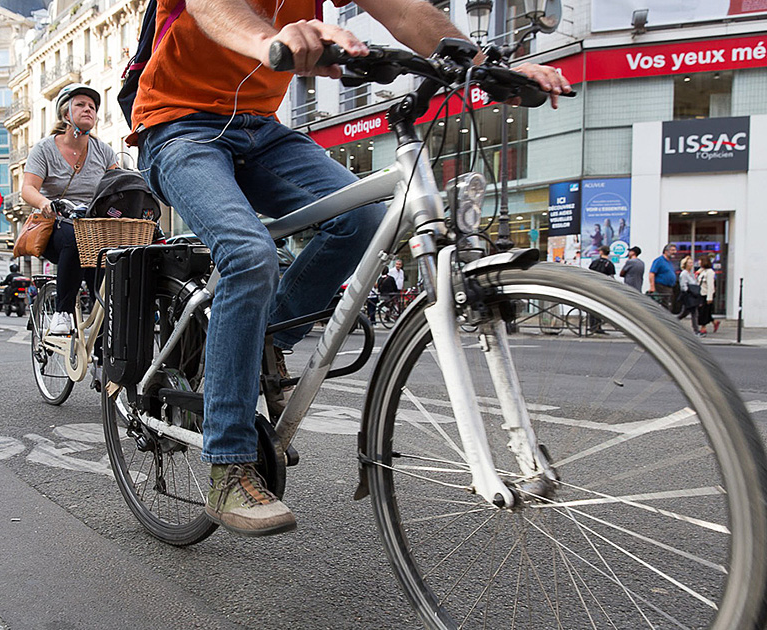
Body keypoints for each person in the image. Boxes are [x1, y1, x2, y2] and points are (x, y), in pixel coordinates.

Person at [131, 0, 571, 536]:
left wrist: (484, 63)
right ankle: (227, 463)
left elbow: (405, 9)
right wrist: (273, 39)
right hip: (178, 127)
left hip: (261, 131)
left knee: (362, 219)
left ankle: (260, 338)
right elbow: (211, 8)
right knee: (249, 254)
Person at [21, 83, 118, 335]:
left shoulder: (104, 152)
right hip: (57, 227)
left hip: (94, 228)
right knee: (74, 238)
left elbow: (118, 185)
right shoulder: (44, 149)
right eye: (81, 105)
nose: (89, 110)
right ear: (66, 114)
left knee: (106, 283)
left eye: (92, 107)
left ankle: (101, 356)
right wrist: (45, 203)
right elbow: (28, 188)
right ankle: (62, 313)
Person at [587, 245, 615, 334]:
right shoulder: (609, 264)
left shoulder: (595, 262)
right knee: (600, 307)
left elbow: (588, 274)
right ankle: (598, 326)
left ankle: (592, 326)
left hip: (592, 287)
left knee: (592, 307)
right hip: (603, 288)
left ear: (601, 252)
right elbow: (611, 278)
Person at [648, 243, 678, 309]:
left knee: (669, 305)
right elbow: (652, 273)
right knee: (665, 305)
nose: (674, 252)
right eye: (672, 250)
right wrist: (652, 287)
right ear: (666, 251)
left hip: (669, 287)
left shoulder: (669, 262)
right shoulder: (659, 261)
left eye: (675, 250)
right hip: (661, 287)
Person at [676, 256, 700, 335]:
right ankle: (696, 330)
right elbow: (683, 285)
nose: (691, 264)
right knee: (689, 313)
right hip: (688, 295)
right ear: (685, 264)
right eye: (689, 263)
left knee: (690, 313)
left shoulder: (691, 273)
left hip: (692, 295)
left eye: (692, 263)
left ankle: (696, 329)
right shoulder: (684, 274)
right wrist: (688, 291)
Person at [697, 255, 720, 335]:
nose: (699, 262)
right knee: (706, 312)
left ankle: (703, 328)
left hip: (705, 294)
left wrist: (709, 297)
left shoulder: (710, 272)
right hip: (701, 293)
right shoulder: (703, 271)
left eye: (700, 260)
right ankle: (714, 322)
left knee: (704, 311)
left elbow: (711, 285)